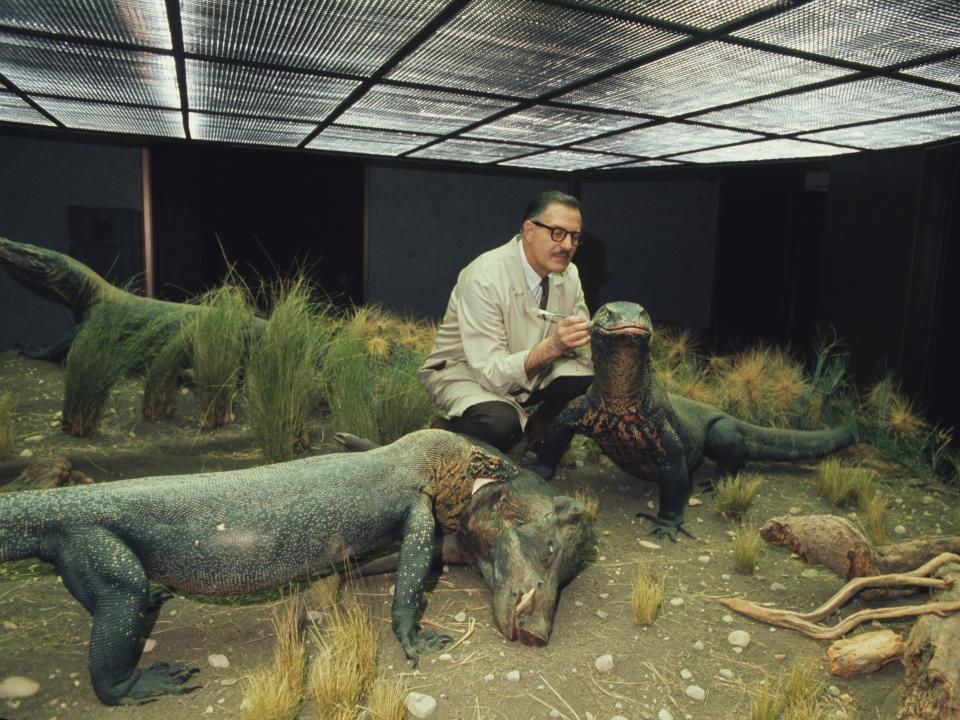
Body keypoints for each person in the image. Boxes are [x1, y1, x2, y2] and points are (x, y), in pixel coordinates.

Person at [419, 191, 594, 452]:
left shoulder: (569, 275)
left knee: (589, 380)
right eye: (557, 233)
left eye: (575, 236)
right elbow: (489, 373)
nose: (568, 245)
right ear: (529, 230)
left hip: (523, 367)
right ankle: (442, 433)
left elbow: (583, 350)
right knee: (499, 425)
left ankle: (539, 436)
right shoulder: (484, 277)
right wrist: (554, 347)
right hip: (466, 371)